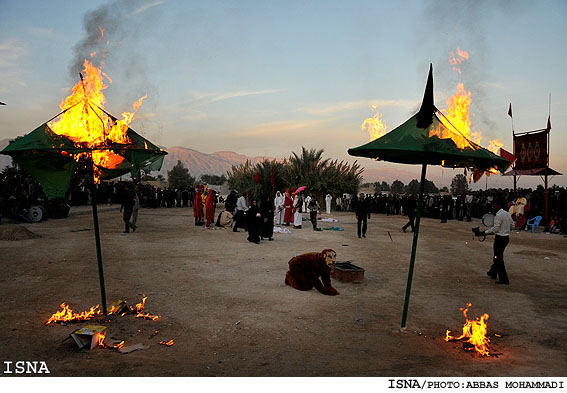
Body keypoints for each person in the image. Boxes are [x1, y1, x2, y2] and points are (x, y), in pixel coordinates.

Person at [481, 199, 514, 285]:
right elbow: (513, 225)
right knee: (497, 256)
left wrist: (484, 232)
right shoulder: (507, 214)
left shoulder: (498, 215)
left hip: (500, 239)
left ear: (499, 206)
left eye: (494, 206)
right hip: (506, 238)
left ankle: (504, 279)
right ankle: (493, 272)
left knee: (498, 258)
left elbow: (495, 229)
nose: (493, 207)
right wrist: (506, 230)